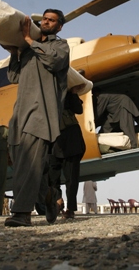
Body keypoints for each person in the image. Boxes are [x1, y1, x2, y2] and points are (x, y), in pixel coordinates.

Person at [3, 9, 70, 227]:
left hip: (41, 113)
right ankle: (48, 196)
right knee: (27, 163)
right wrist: (15, 53)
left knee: (27, 164)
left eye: (51, 20)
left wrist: (29, 41)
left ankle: (22, 213)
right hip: (19, 115)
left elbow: (53, 61)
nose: (46, 22)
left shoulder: (60, 46)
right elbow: (13, 77)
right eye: (44, 19)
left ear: (59, 26)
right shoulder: (28, 50)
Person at [46, 87, 87, 222]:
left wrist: (74, 93)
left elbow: (79, 110)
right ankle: (58, 200)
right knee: (52, 176)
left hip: (71, 138)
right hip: (54, 140)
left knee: (71, 178)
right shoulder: (44, 96)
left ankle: (70, 209)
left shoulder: (68, 95)